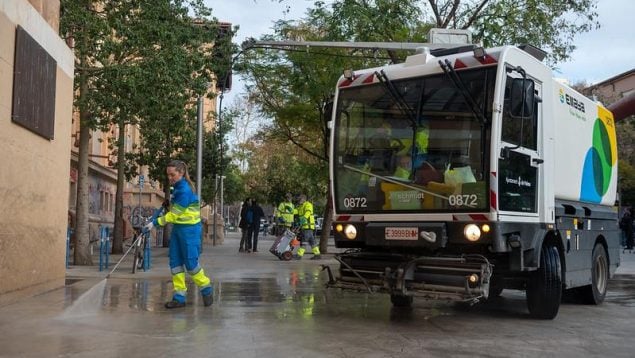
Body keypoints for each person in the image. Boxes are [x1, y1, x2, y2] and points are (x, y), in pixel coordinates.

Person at [144, 160, 213, 309]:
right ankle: (179, 296)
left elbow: (174, 215)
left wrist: (154, 223)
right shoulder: (177, 189)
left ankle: (206, 287)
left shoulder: (184, 190)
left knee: (191, 264)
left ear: (181, 173)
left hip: (190, 232)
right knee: (175, 264)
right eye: (168, 175)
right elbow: (176, 212)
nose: (170, 177)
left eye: (172, 174)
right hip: (178, 231)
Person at [294, 194, 320, 260]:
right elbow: (296, 211)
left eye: (299, 199)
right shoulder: (300, 206)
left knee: (304, 241)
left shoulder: (308, 205)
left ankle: (299, 255)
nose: (298, 201)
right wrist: (290, 211)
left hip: (307, 226)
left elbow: (307, 213)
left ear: (303, 199)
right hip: (306, 226)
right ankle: (317, 254)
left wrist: (303, 219)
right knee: (312, 241)